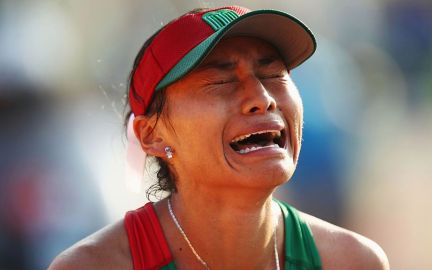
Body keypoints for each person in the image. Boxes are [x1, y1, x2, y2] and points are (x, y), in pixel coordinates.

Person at [49, 5, 389, 270]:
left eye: (273, 74)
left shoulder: (351, 261)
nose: (262, 97)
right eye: (221, 81)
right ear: (151, 135)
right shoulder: (96, 266)